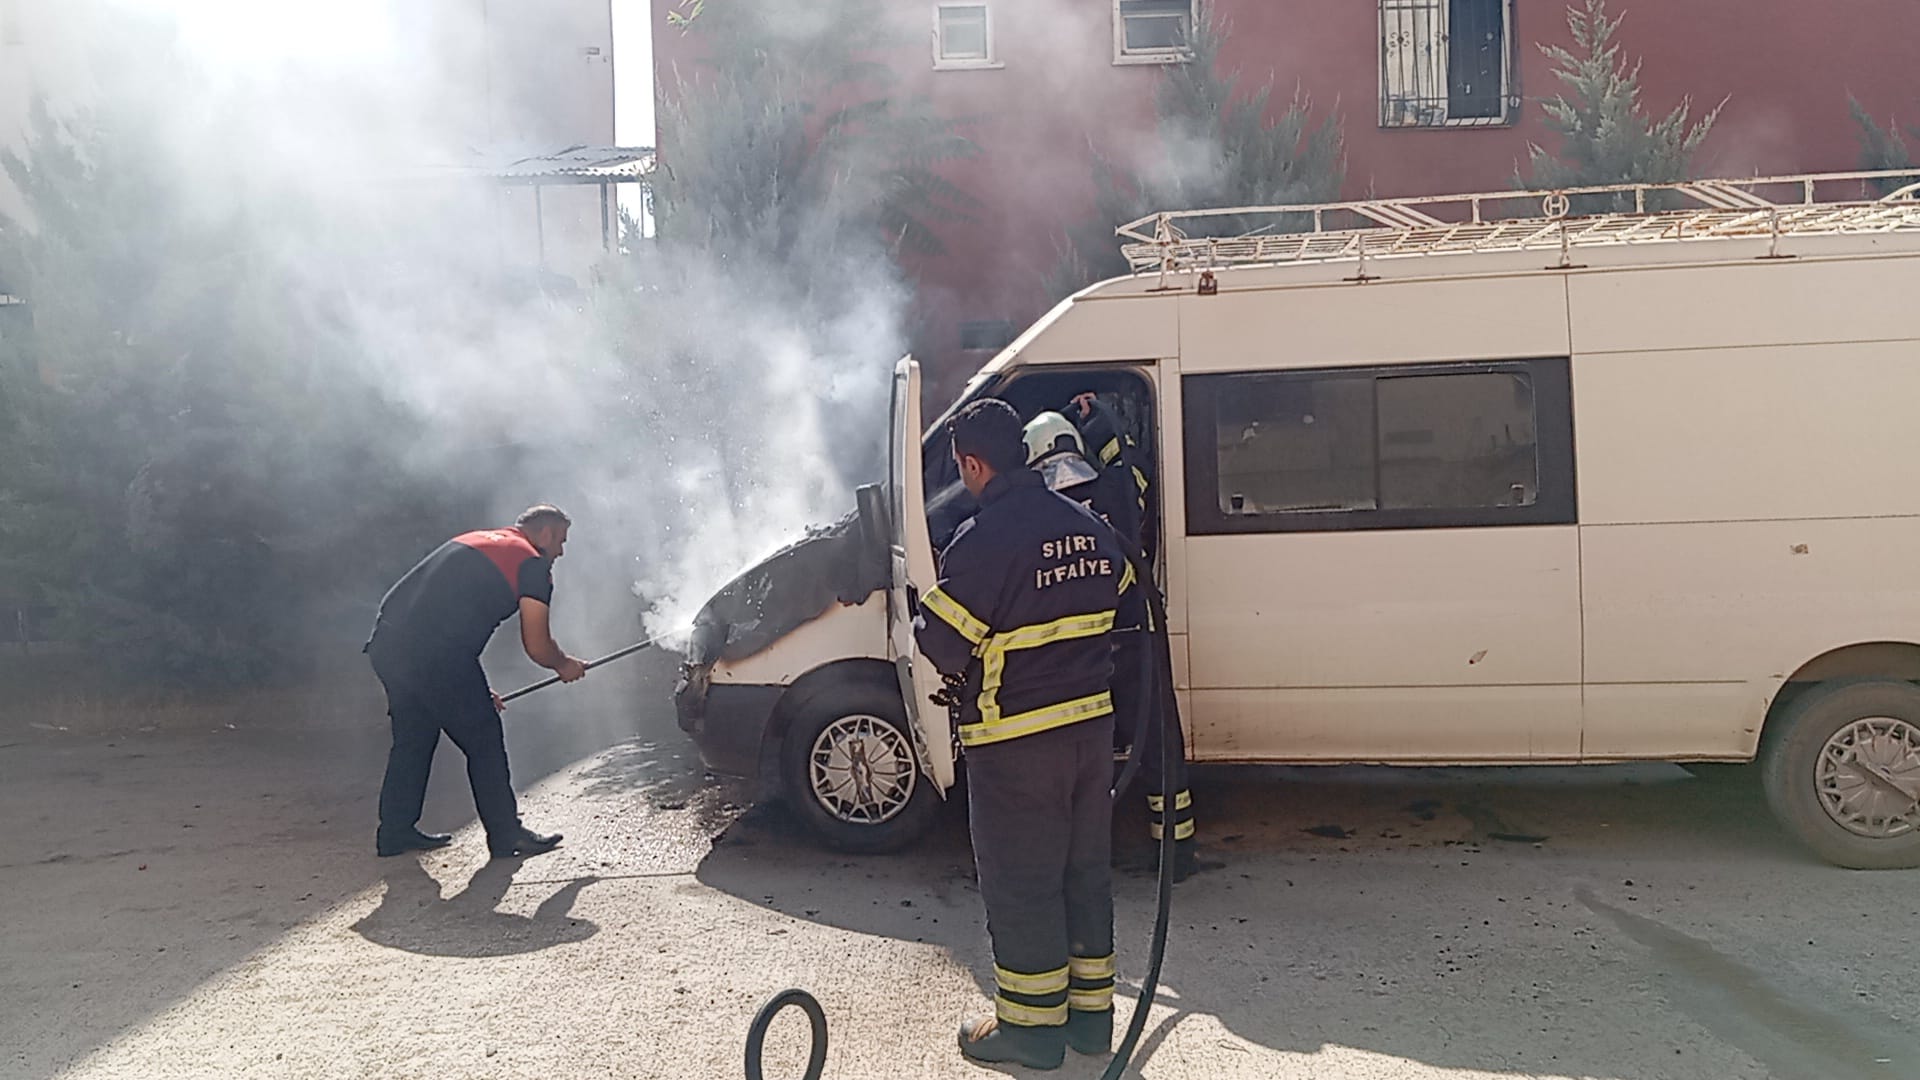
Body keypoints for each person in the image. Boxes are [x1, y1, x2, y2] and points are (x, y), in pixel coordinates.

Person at [915, 399, 1134, 1071]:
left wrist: (921, 613)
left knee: (1023, 885)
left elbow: (946, 648)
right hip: (1091, 739)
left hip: (1016, 745)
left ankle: (1033, 1035)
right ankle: (1091, 1024)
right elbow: (1123, 589)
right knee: (1083, 875)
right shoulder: (1090, 526)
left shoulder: (984, 541)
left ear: (973, 464)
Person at [364, 505, 588, 860]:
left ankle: (394, 832)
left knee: (414, 738)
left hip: (388, 644)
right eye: (560, 541)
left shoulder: (478, 539)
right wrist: (563, 664)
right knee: (484, 739)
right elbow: (537, 644)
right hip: (436, 656)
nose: (560, 551)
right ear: (544, 533)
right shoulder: (531, 562)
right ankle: (506, 835)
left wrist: (473, 689)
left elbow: (443, 610)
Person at [1061, 393, 1200, 879]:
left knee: (1083, 747)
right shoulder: (1113, 485)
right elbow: (1135, 469)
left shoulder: (1050, 508)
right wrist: (1106, 428)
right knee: (1159, 744)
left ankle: (1087, 855)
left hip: (1088, 645)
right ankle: (1176, 854)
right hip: (1137, 632)